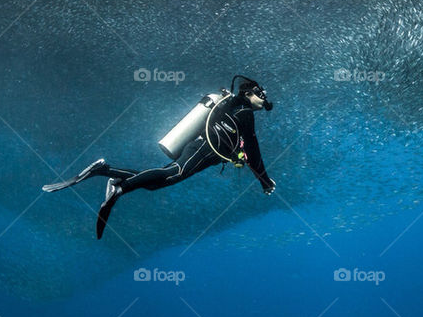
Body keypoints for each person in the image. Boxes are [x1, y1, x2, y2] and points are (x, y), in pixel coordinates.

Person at [42, 77, 276, 239]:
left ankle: (105, 171)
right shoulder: (244, 112)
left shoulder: (233, 107)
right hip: (202, 150)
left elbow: (237, 143)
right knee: (172, 173)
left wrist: (238, 155)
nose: (263, 99)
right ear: (248, 93)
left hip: (203, 149)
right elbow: (253, 150)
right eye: (261, 94)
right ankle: (120, 189)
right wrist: (264, 181)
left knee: (160, 183)